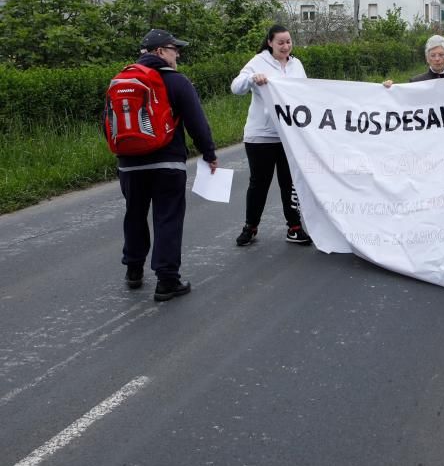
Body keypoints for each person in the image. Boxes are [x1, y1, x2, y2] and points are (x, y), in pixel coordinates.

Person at [119, 29, 219, 301]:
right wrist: (208, 153)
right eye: (175, 49)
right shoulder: (176, 81)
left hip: (129, 164)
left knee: (135, 215)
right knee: (168, 218)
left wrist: (124, 156)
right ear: (160, 51)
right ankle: (166, 281)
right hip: (167, 162)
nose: (178, 54)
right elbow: (196, 122)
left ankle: (133, 271)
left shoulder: (122, 79)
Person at [231, 25, 312, 247]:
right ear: (270, 42)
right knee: (259, 183)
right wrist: (251, 79)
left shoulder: (296, 65)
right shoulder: (258, 62)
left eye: (289, 42)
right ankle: (250, 227)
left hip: (290, 136)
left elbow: (306, 94)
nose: (286, 46)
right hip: (261, 136)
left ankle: (294, 228)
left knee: (290, 183)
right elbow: (236, 87)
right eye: (280, 43)